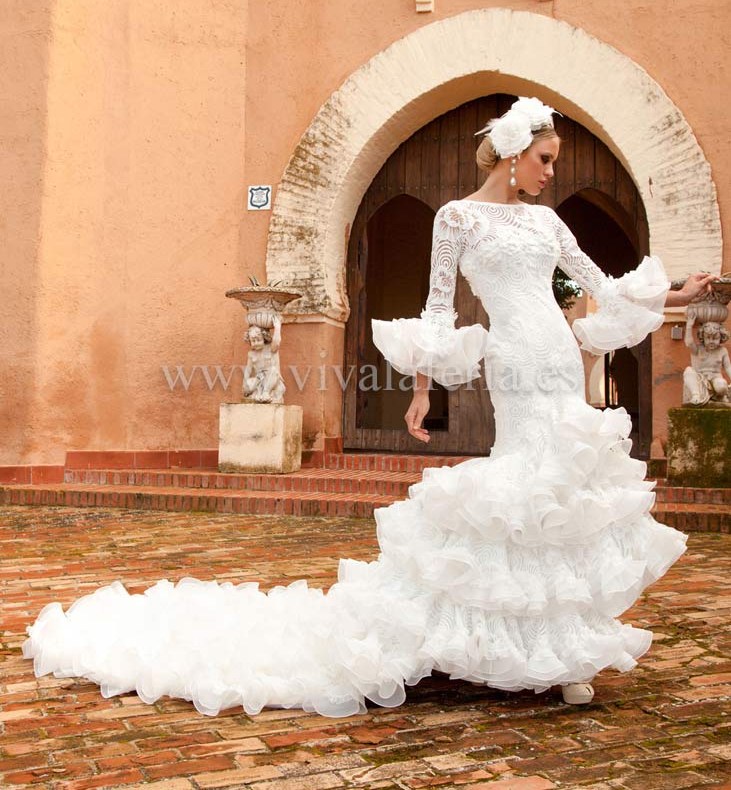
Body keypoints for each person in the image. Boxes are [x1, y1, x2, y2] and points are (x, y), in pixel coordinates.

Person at [21, 97, 712, 718]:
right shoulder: (457, 218)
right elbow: (437, 313)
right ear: (511, 153)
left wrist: (679, 293)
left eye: (554, 161)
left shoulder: (548, 222)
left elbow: (604, 286)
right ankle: (499, 640)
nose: (551, 173)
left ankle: (554, 650)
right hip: (513, 361)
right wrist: (422, 389)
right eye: (544, 159)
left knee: (557, 490)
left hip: (557, 356)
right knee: (523, 482)